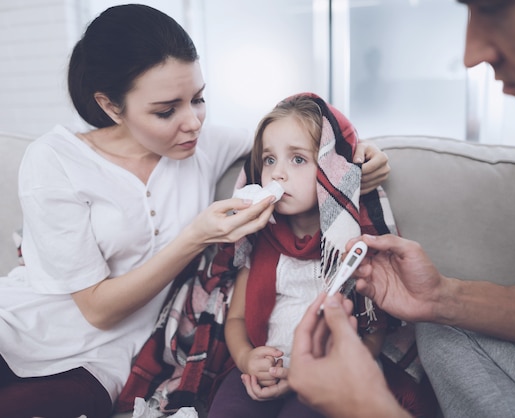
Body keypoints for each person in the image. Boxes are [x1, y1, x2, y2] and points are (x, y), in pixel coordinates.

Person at [0, 5, 390, 418]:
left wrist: (363, 151)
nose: (193, 123)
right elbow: (96, 309)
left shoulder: (203, 146)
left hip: (104, 360)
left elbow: (300, 136)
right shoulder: (55, 159)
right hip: (22, 328)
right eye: (166, 110)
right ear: (111, 106)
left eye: (199, 98)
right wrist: (197, 237)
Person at [287, 0, 515, 417]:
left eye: (493, 7)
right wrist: (442, 298)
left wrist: (366, 408)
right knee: (444, 331)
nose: (470, 56)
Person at [207, 92, 397, 418]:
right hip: (265, 367)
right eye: (269, 160)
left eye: (297, 159)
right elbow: (236, 318)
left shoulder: (351, 245)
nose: (277, 174)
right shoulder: (258, 238)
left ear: (332, 170)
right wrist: (246, 360)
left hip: (329, 371)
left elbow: (374, 331)